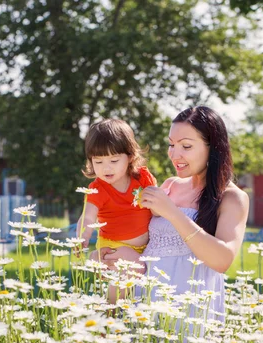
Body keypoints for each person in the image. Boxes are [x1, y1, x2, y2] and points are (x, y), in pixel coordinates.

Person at [102, 106, 249, 319]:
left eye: (186, 146)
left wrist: (172, 212)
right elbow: (150, 242)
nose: (174, 154)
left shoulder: (232, 198)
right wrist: (124, 254)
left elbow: (222, 261)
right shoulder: (170, 185)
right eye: (171, 144)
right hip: (146, 299)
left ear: (213, 147)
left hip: (190, 305)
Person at [75, 119, 158, 300]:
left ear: (129, 157)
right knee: (134, 269)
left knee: (145, 281)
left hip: (148, 247)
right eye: (98, 162)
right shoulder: (97, 188)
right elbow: (88, 217)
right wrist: (82, 237)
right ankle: (109, 310)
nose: (106, 167)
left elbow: (158, 206)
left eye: (113, 160)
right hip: (113, 246)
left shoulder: (143, 178)